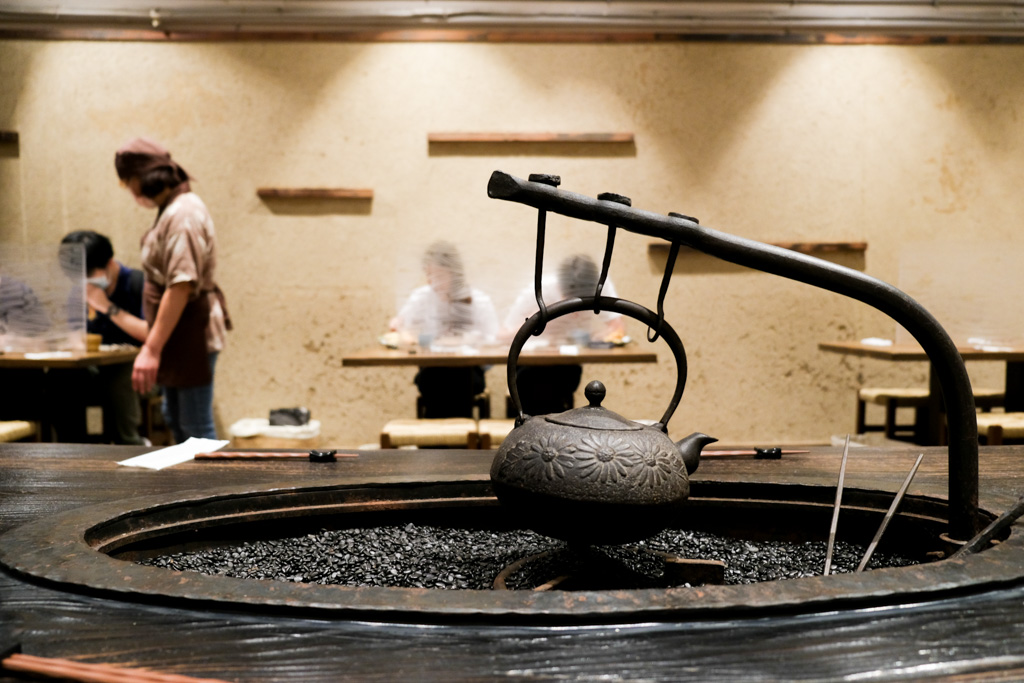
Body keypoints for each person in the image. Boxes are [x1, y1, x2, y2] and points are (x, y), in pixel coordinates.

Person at [115, 137, 230, 443]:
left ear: (141, 180)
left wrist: (151, 349)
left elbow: (180, 284)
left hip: (191, 328)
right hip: (178, 332)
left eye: (126, 182)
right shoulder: (172, 208)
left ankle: (210, 491)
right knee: (176, 420)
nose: (129, 191)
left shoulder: (183, 214)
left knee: (195, 427)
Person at [502, 253, 625, 416]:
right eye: (569, 298)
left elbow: (618, 328)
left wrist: (598, 336)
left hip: (568, 364)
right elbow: (503, 335)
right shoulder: (541, 289)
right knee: (535, 382)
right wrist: (538, 319)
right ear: (560, 285)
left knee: (564, 379)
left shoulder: (599, 284)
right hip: (531, 364)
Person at [390, 241, 498, 418]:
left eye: (439, 275)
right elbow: (403, 331)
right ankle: (454, 440)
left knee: (455, 378)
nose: (433, 282)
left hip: (469, 373)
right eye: (429, 275)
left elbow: (493, 343)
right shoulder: (421, 298)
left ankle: (444, 441)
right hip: (432, 371)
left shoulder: (479, 300)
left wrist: (469, 345)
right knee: (435, 378)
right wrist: (403, 331)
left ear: (455, 273)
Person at [60, 230, 148, 444]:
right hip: (97, 367)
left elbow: (151, 334)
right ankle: (76, 447)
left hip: (143, 371)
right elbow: (72, 337)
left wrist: (107, 307)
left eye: (88, 274)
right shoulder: (78, 292)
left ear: (109, 263)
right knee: (62, 377)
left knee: (120, 376)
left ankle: (131, 445)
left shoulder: (138, 283)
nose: (84, 282)